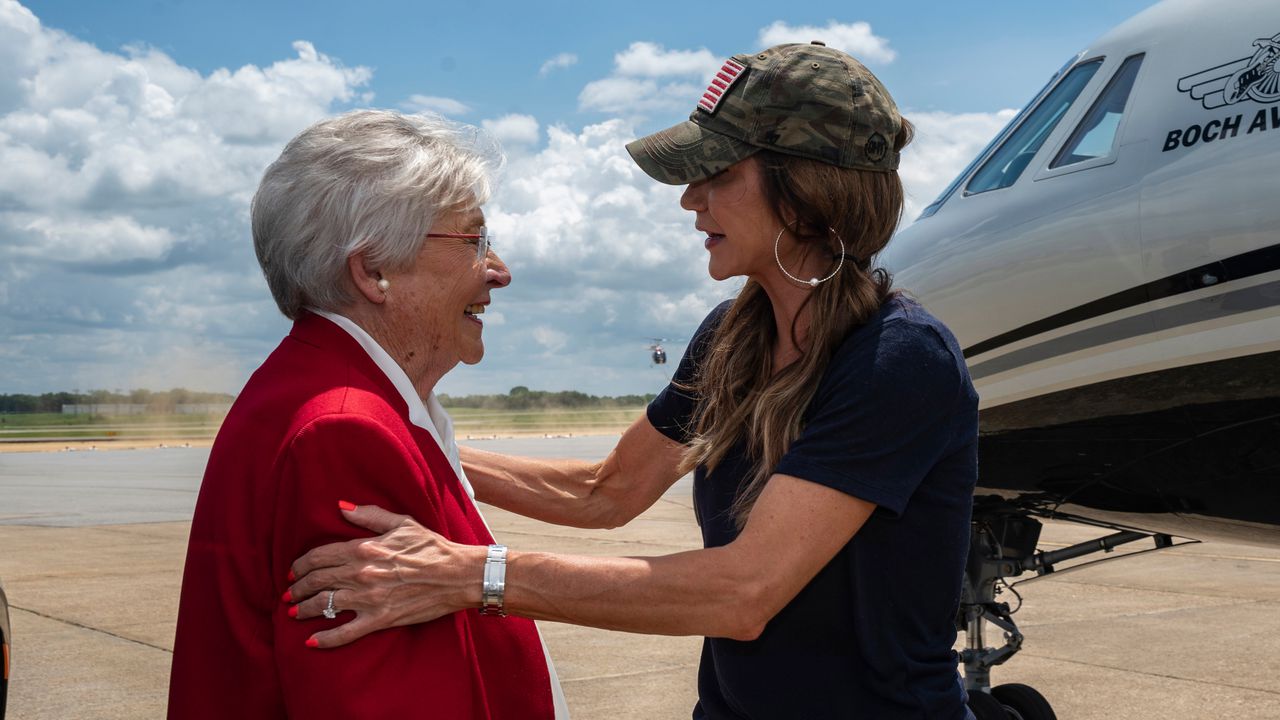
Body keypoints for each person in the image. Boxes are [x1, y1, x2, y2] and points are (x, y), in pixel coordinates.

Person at [286, 43, 979, 719]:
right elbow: (604, 492)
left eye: (717, 173)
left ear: (804, 192)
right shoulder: (733, 337)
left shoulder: (897, 358)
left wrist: (470, 576)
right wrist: (406, 447)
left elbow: (743, 591)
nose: (690, 199)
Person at [167, 110, 568, 719]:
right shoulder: (346, 430)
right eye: (474, 241)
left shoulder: (323, 390)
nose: (500, 271)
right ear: (373, 269)